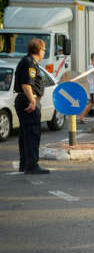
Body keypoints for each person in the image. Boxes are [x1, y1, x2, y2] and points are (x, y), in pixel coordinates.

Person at [14, 38, 48, 174]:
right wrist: (32, 101)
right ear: (38, 50)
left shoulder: (28, 61)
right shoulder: (29, 63)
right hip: (28, 100)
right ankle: (32, 165)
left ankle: (25, 164)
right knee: (32, 134)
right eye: (44, 50)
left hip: (25, 99)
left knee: (25, 134)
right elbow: (26, 84)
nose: (44, 52)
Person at [78, 53, 94, 124]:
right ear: (92, 58)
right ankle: (81, 117)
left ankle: (82, 117)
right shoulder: (90, 67)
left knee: (93, 104)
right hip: (92, 88)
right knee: (92, 104)